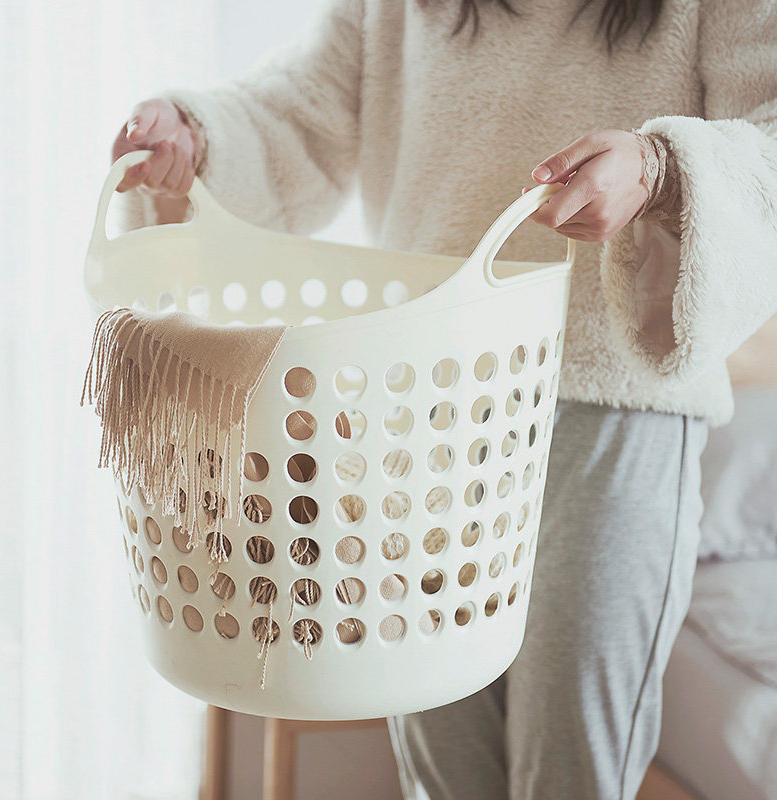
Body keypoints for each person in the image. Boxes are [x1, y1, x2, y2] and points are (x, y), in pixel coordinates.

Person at [112, 1, 777, 797]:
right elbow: (301, 109)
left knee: (573, 771)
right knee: (440, 761)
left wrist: (659, 169)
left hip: (616, 414)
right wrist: (200, 139)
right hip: (426, 410)